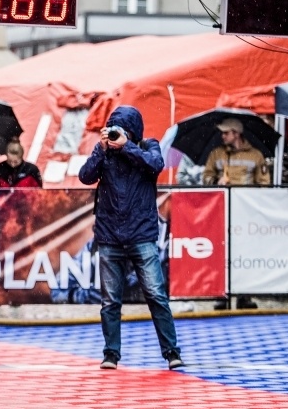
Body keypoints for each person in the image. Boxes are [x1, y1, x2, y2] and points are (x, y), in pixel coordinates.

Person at [79, 106, 184, 371]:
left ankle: (171, 352)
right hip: (110, 235)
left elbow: (156, 165)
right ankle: (111, 354)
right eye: (113, 128)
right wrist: (102, 149)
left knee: (156, 295)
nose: (117, 134)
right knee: (109, 301)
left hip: (141, 235)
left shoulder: (148, 146)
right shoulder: (105, 151)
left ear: (134, 131)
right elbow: (85, 176)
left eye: (122, 129)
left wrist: (126, 147)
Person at [202, 118, 269, 309]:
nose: (222, 136)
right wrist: (217, 183)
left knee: (245, 252)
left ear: (236, 133)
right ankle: (221, 294)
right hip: (220, 211)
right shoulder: (216, 154)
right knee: (221, 251)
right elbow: (205, 178)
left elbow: (265, 184)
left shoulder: (256, 156)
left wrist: (247, 194)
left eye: (226, 132)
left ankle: (244, 295)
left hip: (246, 213)